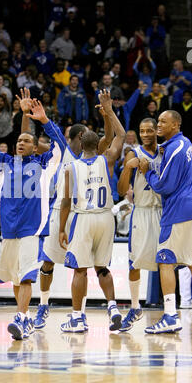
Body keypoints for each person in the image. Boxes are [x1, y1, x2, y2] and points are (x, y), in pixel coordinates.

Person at [0, 90, 67, 340]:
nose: (21, 143)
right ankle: (24, 319)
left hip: (31, 230)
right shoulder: (4, 164)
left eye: (27, 140)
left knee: (25, 277)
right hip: (9, 231)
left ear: (36, 147)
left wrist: (44, 121)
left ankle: (22, 317)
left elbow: (62, 146)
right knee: (16, 278)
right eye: (19, 140)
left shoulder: (44, 164)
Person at [32, 101, 115, 331]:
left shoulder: (96, 154)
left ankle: (80, 314)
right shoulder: (65, 152)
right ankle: (43, 304)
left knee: (84, 267)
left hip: (83, 215)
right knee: (48, 262)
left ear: (80, 138)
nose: (67, 139)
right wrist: (43, 119)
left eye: (72, 136)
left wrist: (107, 114)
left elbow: (108, 137)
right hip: (61, 211)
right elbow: (55, 133)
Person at [59, 90, 126, 333]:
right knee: (102, 268)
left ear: (79, 144)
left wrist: (60, 230)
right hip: (106, 218)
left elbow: (65, 203)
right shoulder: (107, 158)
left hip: (84, 219)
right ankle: (113, 308)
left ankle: (77, 318)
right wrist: (109, 111)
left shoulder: (70, 168)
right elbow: (119, 134)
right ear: (99, 145)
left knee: (80, 269)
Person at [139, 110, 192, 334]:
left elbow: (164, 186)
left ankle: (171, 315)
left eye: (163, 121)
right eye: (158, 121)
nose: (158, 124)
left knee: (165, 259)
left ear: (176, 124)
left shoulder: (174, 149)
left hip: (178, 210)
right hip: (191, 206)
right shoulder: (187, 144)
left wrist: (147, 172)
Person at [117, 118, 163, 332]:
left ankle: (170, 311)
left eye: (149, 130)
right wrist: (127, 169)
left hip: (164, 212)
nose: (145, 134)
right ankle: (135, 306)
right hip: (142, 212)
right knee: (134, 263)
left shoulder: (165, 151)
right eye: (142, 131)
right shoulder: (133, 153)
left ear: (157, 131)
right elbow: (120, 190)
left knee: (174, 262)